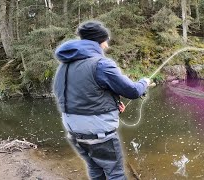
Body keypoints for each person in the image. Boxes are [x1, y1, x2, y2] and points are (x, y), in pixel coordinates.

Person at [52, 20, 150, 180]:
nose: (106, 46)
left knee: (95, 170)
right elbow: (132, 91)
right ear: (99, 41)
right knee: (115, 174)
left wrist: (112, 103)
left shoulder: (63, 67)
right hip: (98, 134)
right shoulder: (101, 64)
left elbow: (80, 96)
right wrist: (144, 82)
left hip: (74, 133)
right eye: (106, 41)